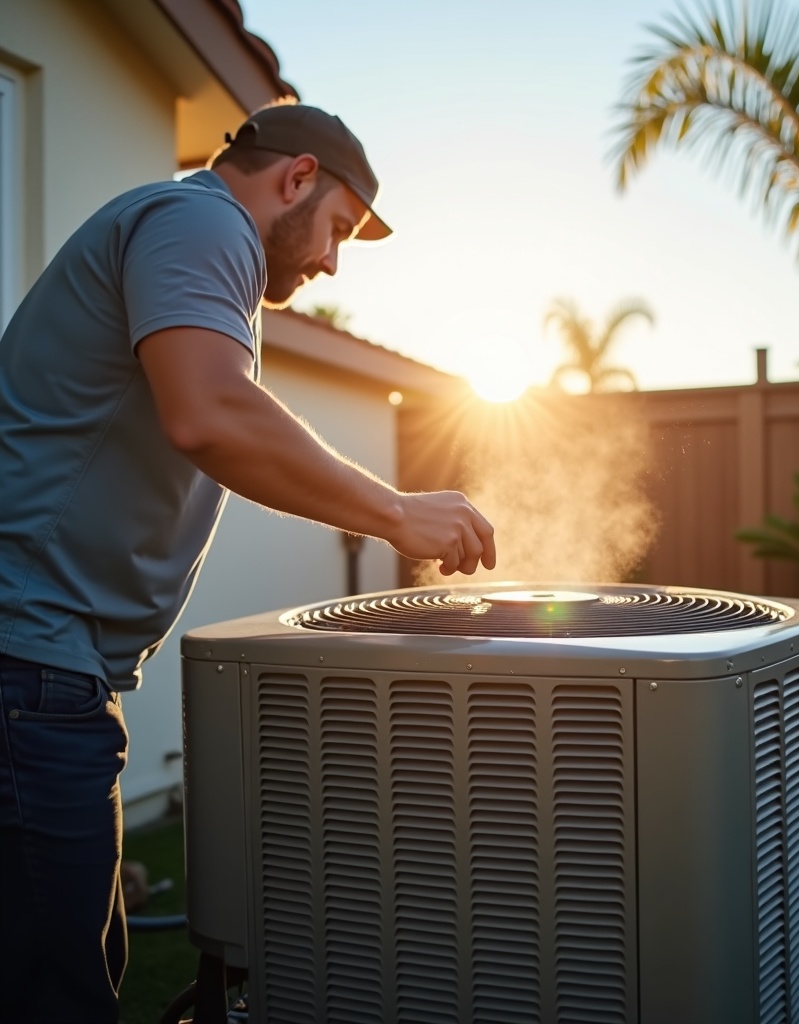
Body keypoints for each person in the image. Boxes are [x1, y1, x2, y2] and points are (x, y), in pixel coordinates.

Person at [0, 100, 496, 1023]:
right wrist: (394, 511)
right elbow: (211, 413)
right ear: (297, 177)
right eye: (339, 229)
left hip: (43, 667)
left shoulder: (184, 235)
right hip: (25, 669)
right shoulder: (203, 221)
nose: (330, 261)